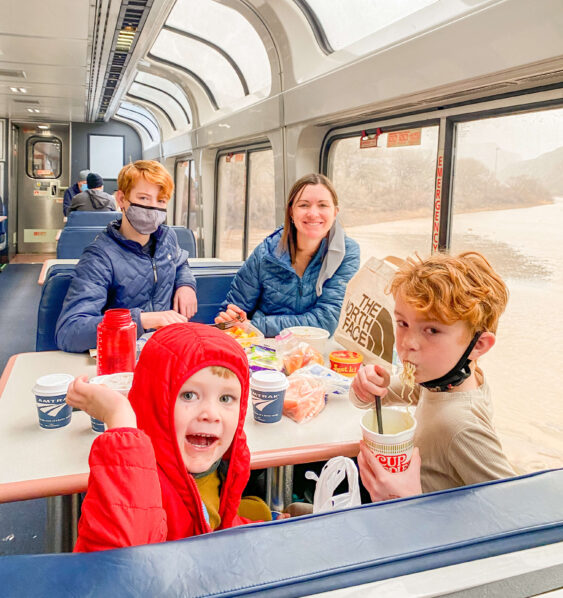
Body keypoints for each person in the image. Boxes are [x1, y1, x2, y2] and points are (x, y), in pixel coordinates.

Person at [66, 322, 272, 551]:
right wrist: (120, 418)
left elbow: (214, 528)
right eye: (189, 395)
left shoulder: (225, 466)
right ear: (154, 402)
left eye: (226, 399)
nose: (211, 415)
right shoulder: (137, 478)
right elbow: (122, 563)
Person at [351, 251, 515, 501]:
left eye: (432, 330)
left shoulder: (460, 425)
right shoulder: (440, 382)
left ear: (479, 345)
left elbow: (517, 512)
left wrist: (411, 500)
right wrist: (366, 384)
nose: (407, 343)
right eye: (402, 323)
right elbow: (371, 396)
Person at [55, 160, 197, 353]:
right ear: (121, 199)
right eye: (144, 198)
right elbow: (70, 332)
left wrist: (186, 284)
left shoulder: (167, 237)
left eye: (161, 201)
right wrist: (143, 320)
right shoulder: (99, 256)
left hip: (164, 349)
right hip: (121, 354)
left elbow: (179, 262)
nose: (153, 208)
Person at [215, 173, 360, 337]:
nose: (313, 213)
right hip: (265, 347)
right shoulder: (265, 254)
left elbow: (327, 320)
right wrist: (229, 320)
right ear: (291, 211)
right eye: (304, 205)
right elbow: (233, 310)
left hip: (318, 347)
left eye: (323, 205)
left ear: (335, 212)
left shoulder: (347, 254)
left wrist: (254, 326)